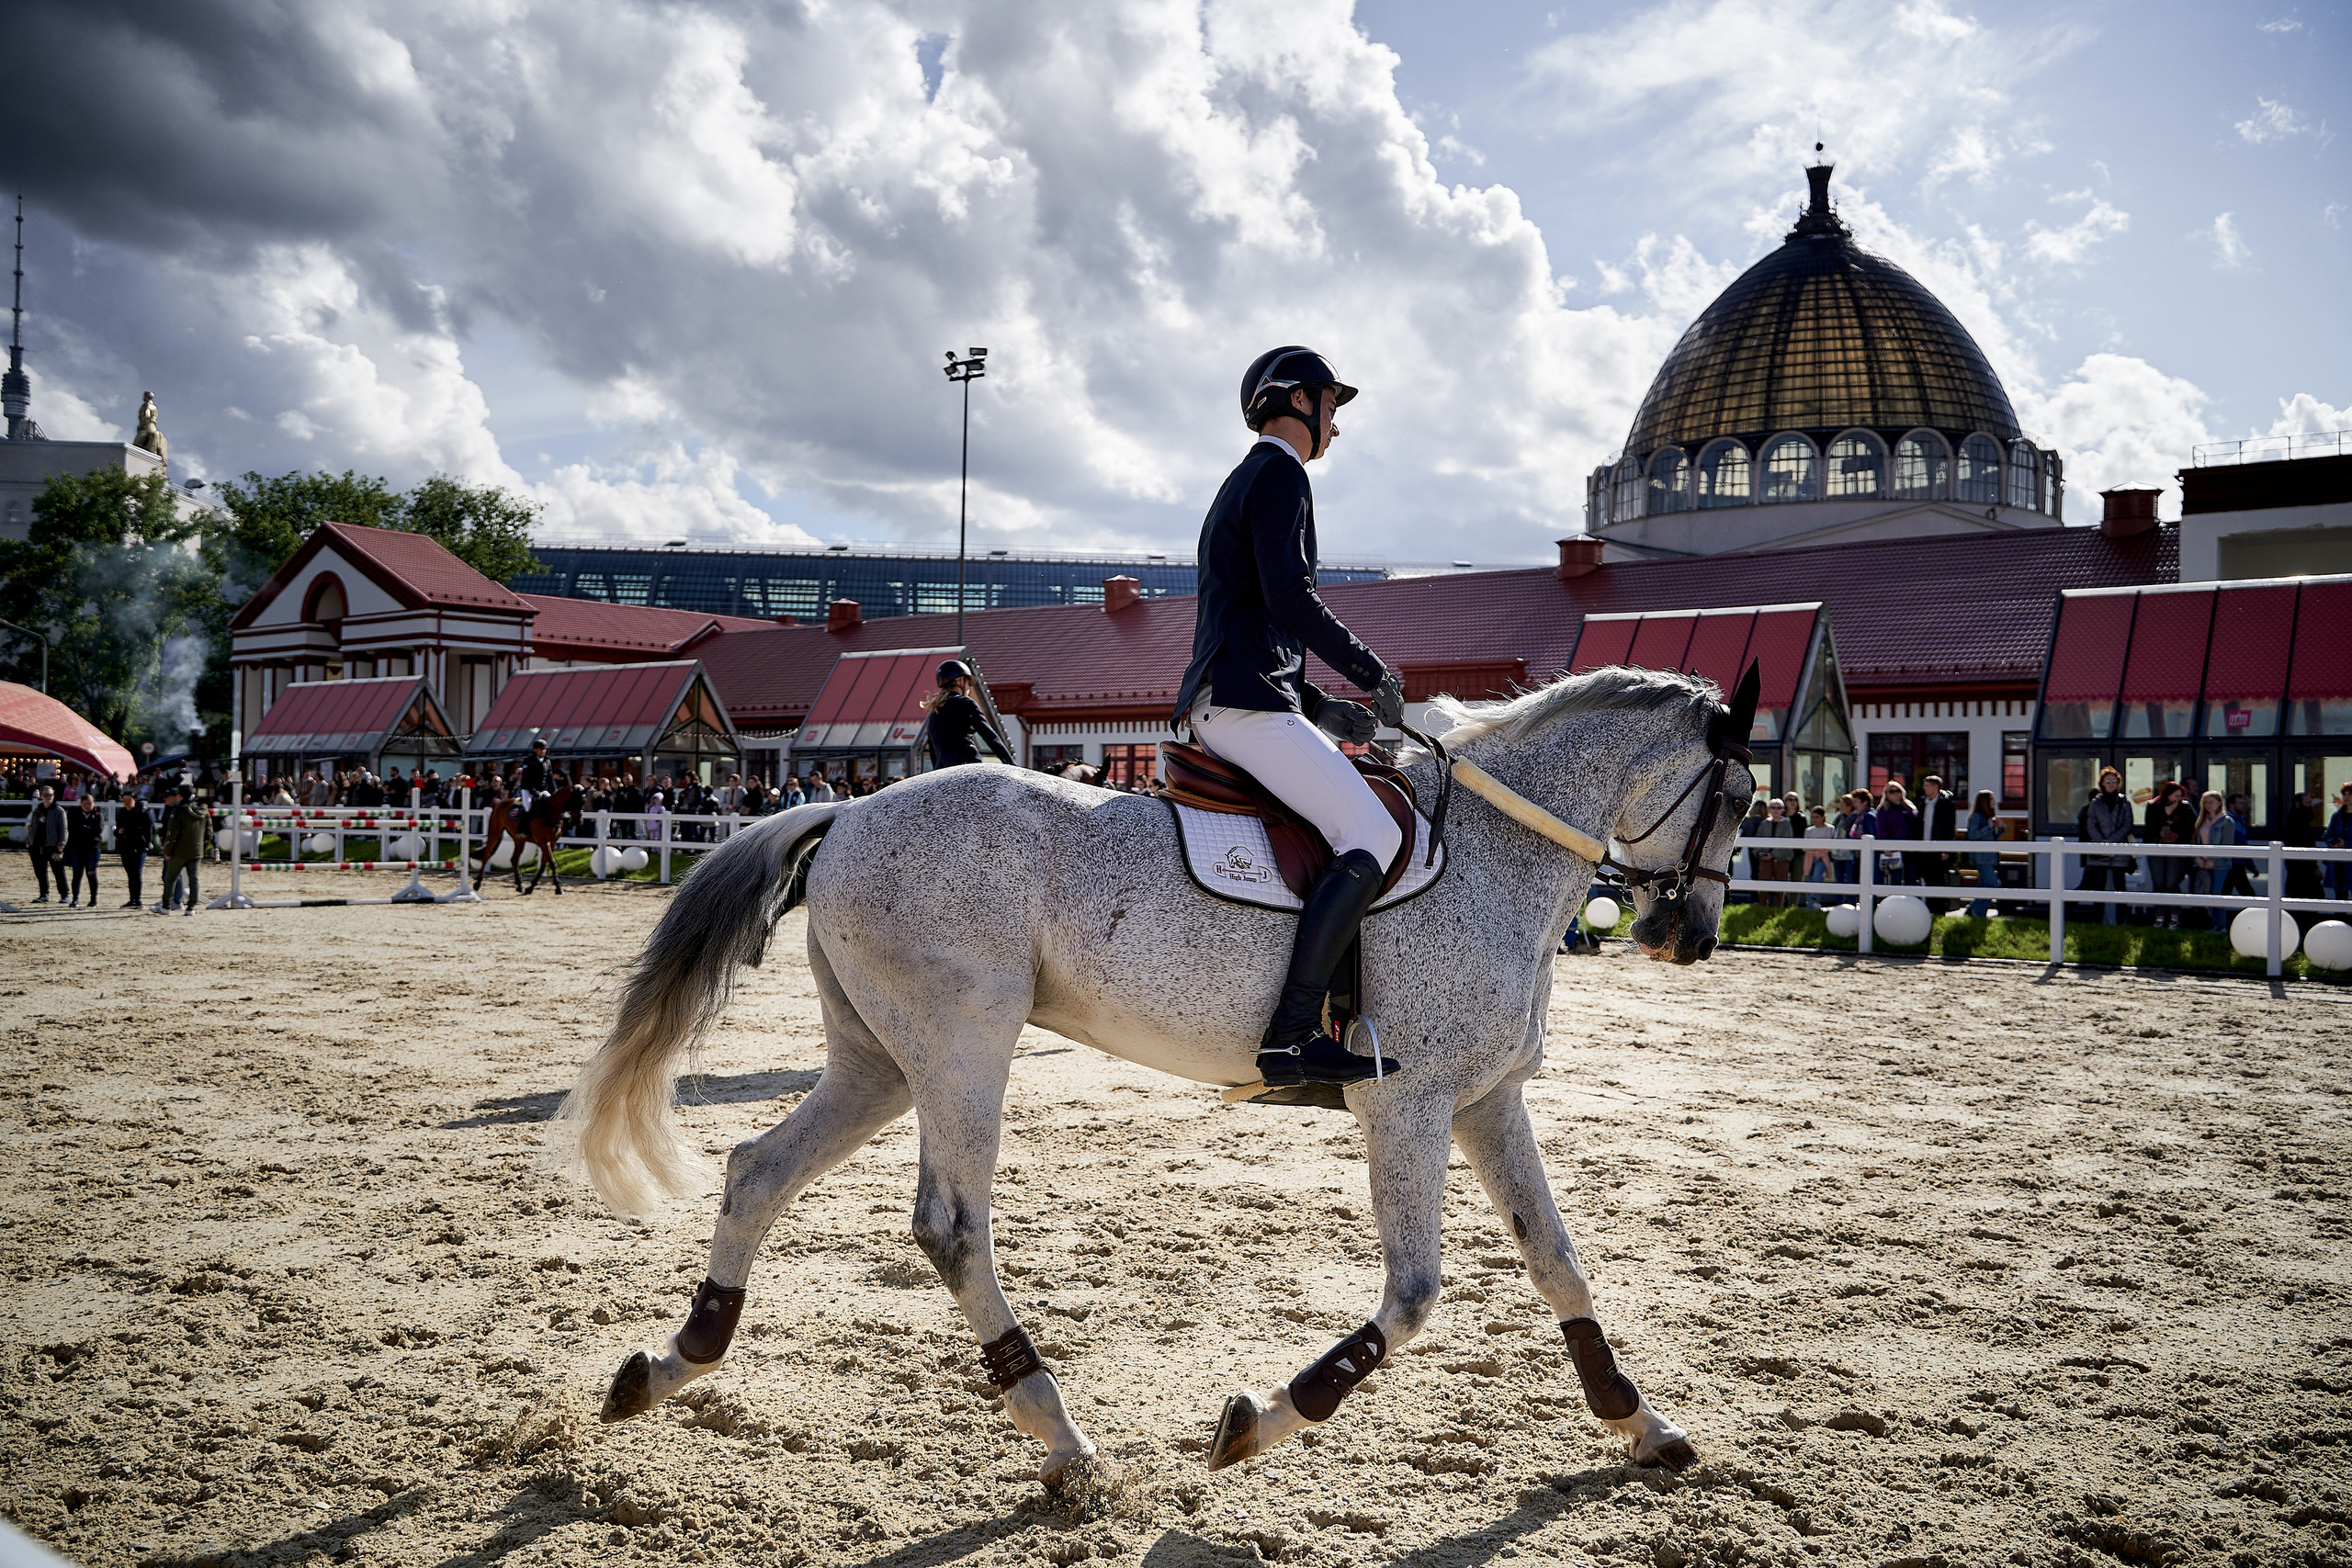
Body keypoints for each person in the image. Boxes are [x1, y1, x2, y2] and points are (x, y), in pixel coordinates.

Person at [1170, 345, 1406, 1089]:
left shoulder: (1244, 480)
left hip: (1239, 695)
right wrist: (1372, 670)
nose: (1336, 425)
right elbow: (1289, 598)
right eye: (1332, 406)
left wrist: (1318, 704)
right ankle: (1294, 1032)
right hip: (1241, 705)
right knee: (1375, 830)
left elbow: (1248, 618)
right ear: (1301, 402)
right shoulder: (1281, 473)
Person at [922, 660, 1014, 769]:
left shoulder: (934, 710)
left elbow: (933, 749)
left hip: (942, 769)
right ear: (960, 681)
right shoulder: (965, 703)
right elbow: (990, 737)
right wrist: (1011, 764)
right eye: (968, 683)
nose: (969, 688)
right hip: (967, 764)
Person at [2076, 768, 2134, 924]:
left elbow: (2127, 824)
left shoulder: (2125, 802)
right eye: (2107, 781)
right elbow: (2091, 826)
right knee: (2098, 886)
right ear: (2102, 783)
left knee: (2120, 886)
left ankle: (2121, 921)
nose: (2111, 784)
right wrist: (2102, 843)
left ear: (2118, 783)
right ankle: (2098, 921)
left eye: (2114, 781)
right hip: (2098, 851)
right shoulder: (2095, 803)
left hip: (2119, 852)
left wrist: (2112, 842)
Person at [2145, 780, 2195, 929]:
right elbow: (2150, 828)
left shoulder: (2185, 808)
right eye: (2175, 796)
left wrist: (2174, 821)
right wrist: (2165, 814)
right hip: (2156, 849)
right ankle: (2159, 917)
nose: (2178, 799)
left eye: (2180, 796)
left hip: (2176, 850)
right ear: (2167, 795)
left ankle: (2174, 917)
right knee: (2159, 883)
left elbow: (2190, 830)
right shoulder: (2153, 806)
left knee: (2172, 883)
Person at [2194, 790, 2242, 932]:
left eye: (2211, 802)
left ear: (2220, 803)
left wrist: (2213, 860)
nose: (2208, 805)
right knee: (2205, 892)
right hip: (2203, 863)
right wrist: (2197, 857)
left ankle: (2220, 925)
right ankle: (2211, 923)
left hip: (2220, 864)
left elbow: (2227, 843)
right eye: (2206, 802)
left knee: (2216, 893)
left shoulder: (2227, 821)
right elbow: (2197, 841)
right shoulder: (2202, 820)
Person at [157, 781, 206, 916]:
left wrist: (168, 851)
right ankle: (191, 907)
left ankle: (166, 906)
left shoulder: (178, 810)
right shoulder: (202, 809)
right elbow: (209, 831)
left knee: (170, 878)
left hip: (179, 851)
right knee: (194, 879)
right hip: (196, 850)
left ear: (180, 796)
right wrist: (203, 847)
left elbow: (172, 834)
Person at [1914, 774, 1958, 909]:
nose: (1924, 788)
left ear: (1935, 787)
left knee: (1939, 878)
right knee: (1926, 877)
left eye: (1927, 785)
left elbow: (1949, 827)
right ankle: (1929, 908)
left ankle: (1940, 909)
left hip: (1938, 847)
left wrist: (1946, 848)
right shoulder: (1923, 802)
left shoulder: (1946, 804)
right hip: (1924, 846)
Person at [1963, 790, 2004, 918]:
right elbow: (1973, 835)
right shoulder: (1976, 817)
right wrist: (1988, 827)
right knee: (1993, 884)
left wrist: (2000, 828)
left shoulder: (1987, 817)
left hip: (1990, 857)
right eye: (1991, 800)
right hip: (1981, 857)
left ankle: (1978, 914)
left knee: (1985, 886)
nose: (1994, 802)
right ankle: (1973, 909)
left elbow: (1990, 838)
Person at [23, 784, 64, 903]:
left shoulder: (58, 811)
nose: (47, 797)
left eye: (50, 795)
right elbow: (33, 826)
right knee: (40, 871)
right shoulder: (38, 810)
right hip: (36, 845)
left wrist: (61, 843)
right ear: (41, 796)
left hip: (52, 845)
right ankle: (43, 894)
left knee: (58, 871)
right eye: (45, 795)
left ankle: (64, 894)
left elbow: (63, 828)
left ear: (53, 795)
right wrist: (29, 839)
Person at [63, 792, 105, 907]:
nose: (88, 806)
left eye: (90, 803)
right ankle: (75, 899)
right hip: (77, 848)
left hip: (93, 848)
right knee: (77, 874)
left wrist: (84, 829)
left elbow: (98, 830)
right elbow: (72, 830)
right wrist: (87, 830)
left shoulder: (98, 815)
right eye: (85, 804)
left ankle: (93, 899)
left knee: (91, 873)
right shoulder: (74, 814)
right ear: (81, 804)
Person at [1874, 781, 1918, 886]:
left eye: (1898, 790)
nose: (1895, 793)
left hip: (1911, 849)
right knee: (1896, 878)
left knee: (1911, 877)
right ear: (1887, 794)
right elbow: (1881, 829)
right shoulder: (1884, 809)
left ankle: (1910, 902)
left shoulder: (1909, 807)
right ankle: (1895, 901)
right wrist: (1885, 847)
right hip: (1894, 850)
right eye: (1892, 791)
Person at [115, 788, 153, 908]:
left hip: (139, 846)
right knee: (130, 873)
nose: (126, 802)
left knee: (137, 872)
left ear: (135, 800)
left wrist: (147, 843)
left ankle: (138, 899)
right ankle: (132, 899)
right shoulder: (122, 813)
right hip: (125, 846)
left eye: (129, 800)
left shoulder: (142, 812)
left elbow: (148, 829)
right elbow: (117, 830)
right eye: (124, 800)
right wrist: (118, 832)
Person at [1800, 806, 1836, 908]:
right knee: (1808, 877)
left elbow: (1829, 845)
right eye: (1812, 817)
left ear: (1823, 817)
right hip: (1809, 858)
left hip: (1822, 858)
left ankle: (1817, 900)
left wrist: (1817, 849)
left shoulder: (1829, 829)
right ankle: (1809, 903)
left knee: (1817, 875)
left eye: (1817, 817)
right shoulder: (1809, 830)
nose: (1814, 819)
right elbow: (1805, 846)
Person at [2328, 784, 2352, 902]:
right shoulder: (2337, 816)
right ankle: (2339, 919)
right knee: (2339, 897)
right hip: (2339, 865)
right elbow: (2328, 834)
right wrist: (2334, 842)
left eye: (2350, 794)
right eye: (2344, 794)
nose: (2346, 797)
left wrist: (2346, 843)